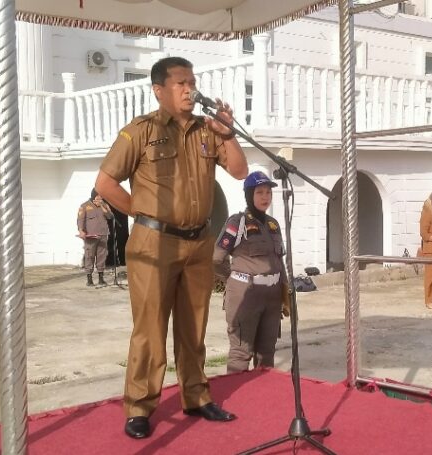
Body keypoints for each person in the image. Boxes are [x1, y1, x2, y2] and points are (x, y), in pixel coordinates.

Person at [94, 56, 249, 439]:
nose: (189, 89)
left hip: (198, 242)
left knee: (194, 325)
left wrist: (228, 133)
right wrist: (142, 214)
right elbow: (106, 184)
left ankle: (195, 396)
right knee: (149, 329)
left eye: (192, 82)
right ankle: (139, 406)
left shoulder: (206, 130)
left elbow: (239, 171)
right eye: (181, 83)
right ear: (159, 90)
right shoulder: (140, 131)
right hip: (154, 244)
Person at [213, 171, 288, 374]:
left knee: (267, 354)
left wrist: (285, 292)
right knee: (241, 353)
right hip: (245, 295)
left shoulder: (273, 225)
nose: (265, 197)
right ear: (249, 195)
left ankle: (262, 394)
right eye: (259, 192)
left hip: (272, 298)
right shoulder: (237, 223)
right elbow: (217, 258)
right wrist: (231, 280)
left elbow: (279, 261)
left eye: (268, 192)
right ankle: (237, 393)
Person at [78, 189, 114, 287]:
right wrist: (81, 231)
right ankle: (89, 279)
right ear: (93, 195)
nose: (100, 197)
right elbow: (80, 219)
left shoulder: (105, 205)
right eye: (98, 195)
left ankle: (101, 279)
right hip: (91, 236)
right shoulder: (84, 206)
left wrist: (102, 206)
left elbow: (110, 216)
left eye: (101, 196)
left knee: (102, 256)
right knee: (89, 256)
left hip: (103, 235)